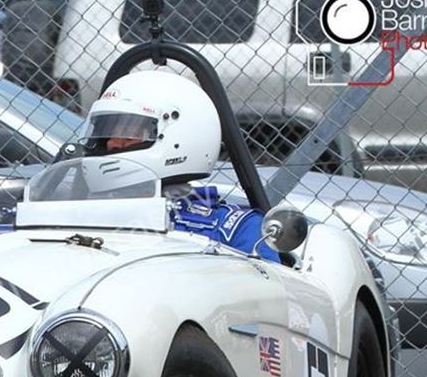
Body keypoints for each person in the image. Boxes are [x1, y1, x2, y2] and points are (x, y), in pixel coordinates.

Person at [81, 69, 280, 263]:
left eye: (129, 132)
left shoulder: (235, 229)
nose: (111, 143)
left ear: (179, 135)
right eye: (106, 133)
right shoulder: (81, 213)